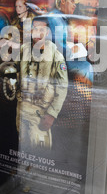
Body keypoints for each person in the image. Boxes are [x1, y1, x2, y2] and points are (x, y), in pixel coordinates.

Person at [16, 16, 68, 152]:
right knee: (23, 148)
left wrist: (51, 114)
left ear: (48, 32)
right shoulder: (23, 50)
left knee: (39, 151)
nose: (38, 33)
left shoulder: (56, 56)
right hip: (22, 110)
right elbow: (15, 72)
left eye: (42, 29)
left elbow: (62, 88)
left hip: (40, 113)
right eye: (35, 29)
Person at [47, 0, 94, 84]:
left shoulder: (61, 18)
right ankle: (82, 95)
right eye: (72, 1)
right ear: (63, 2)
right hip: (58, 60)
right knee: (86, 67)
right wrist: (76, 52)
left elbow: (63, 41)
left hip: (60, 56)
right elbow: (60, 46)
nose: (75, 5)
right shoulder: (56, 18)